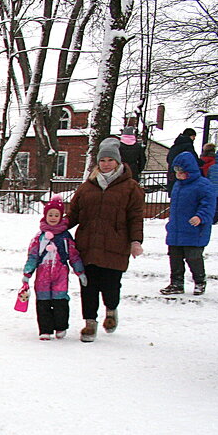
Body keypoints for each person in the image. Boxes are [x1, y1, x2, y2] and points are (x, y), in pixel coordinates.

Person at [67, 137, 145, 342]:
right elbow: (73, 214)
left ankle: (111, 311)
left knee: (111, 285)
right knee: (88, 286)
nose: (106, 164)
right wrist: (54, 228)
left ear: (118, 162)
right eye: (102, 160)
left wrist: (136, 241)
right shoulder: (87, 187)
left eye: (110, 160)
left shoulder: (130, 187)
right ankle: (89, 324)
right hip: (88, 245)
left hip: (115, 245)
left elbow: (136, 216)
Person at [17, 196, 86, 340]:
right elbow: (33, 256)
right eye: (50, 215)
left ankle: (60, 327)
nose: (53, 218)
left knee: (60, 301)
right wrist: (27, 273)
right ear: (45, 216)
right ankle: (45, 329)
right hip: (43, 274)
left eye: (56, 215)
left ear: (61, 217)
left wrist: (80, 271)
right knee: (43, 302)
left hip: (60, 274)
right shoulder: (39, 237)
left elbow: (73, 255)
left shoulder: (65, 237)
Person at [161, 151, 216, 296]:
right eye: (176, 171)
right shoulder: (178, 186)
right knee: (175, 257)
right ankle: (176, 283)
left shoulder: (203, 185)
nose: (178, 174)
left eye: (182, 171)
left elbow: (208, 205)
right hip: (177, 229)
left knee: (193, 257)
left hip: (194, 229)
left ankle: (199, 281)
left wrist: (200, 217)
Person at [166, 128, 198, 192]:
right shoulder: (188, 145)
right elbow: (193, 159)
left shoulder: (175, 146)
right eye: (194, 136)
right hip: (183, 176)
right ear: (190, 136)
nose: (194, 139)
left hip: (172, 175)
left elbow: (168, 159)